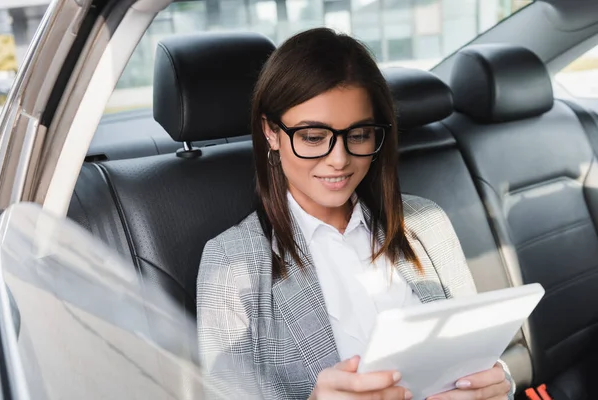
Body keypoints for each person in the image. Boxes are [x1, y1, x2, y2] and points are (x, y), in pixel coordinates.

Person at [196, 27, 514, 400]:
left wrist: (497, 384)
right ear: (270, 132)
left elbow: (474, 358)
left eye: (359, 135)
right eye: (313, 137)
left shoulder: (427, 224)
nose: (340, 160)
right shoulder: (232, 267)